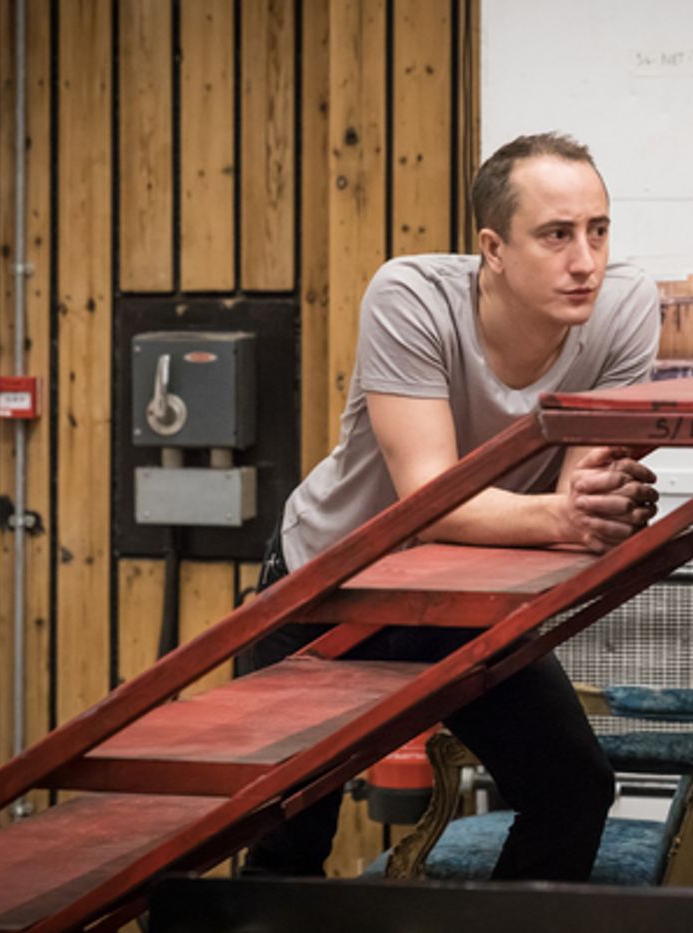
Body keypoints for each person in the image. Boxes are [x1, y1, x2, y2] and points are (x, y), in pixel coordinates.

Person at [243, 132, 662, 882]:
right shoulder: (410, 295)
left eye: (598, 231)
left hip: (466, 598)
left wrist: (577, 515)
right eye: (557, 235)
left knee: (573, 788)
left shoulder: (625, 307)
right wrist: (568, 518)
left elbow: (581, 507)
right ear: (493, 248)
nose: (585, 261)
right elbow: (431, 501)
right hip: (329, 589)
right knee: (290, 836)